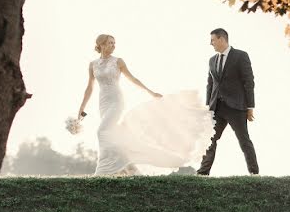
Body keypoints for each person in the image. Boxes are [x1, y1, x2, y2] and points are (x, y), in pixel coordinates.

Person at [78, 34, 212, 176]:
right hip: (103, 102)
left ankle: (103, 169)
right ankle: (126, 164)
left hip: (116, 101)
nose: (113, 45)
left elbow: (132, 78)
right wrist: (82, 107)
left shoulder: (118, 61)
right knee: (111, 135)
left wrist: (151, 92)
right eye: (110, 43)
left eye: (114, 43)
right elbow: (90, 87)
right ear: (101, 45)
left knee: (101, 132)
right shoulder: (93, 64)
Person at [196, 28, 259, 175]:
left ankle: (254, 173)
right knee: (209, 139)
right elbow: (210, 84)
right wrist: (208, 108)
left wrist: (250, 107)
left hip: (236, 107)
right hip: (216, 108)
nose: (210, 43)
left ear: (221, 39)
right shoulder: (212, 60)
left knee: (244, 140)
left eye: (212, 40)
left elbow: (249, 82)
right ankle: (203, 173)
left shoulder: (241, 56)